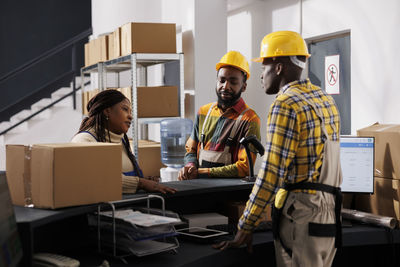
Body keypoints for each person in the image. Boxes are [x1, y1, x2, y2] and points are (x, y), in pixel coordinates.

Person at [214, 31, 342, 267]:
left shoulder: (285, 104)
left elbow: (271, 174)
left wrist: (246, 225)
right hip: (330, 214)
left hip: (302, 216)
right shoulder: (325, 99)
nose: (262, 75)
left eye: (264, 66)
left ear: (279, 67)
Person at [71, 89, 177, 195]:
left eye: (130, 112)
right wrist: (141, 183)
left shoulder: (121, 141)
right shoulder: (84, 140)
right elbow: (98, 179)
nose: (130, 116)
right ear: (107, 111)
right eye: (125, 109)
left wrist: (147, 181)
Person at [178, 51, 261, 180]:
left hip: (228, 194)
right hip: (199, 188)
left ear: (243, 86)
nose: (225, 86)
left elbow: (244, 167)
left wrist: (202, 173)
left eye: (233, 82)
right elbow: (191, 149)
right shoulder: (203, 112)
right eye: (222, 80)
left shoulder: (250, 119)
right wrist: (190, 166)